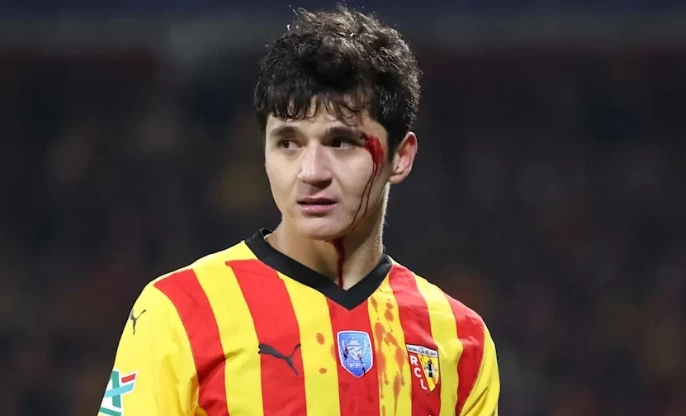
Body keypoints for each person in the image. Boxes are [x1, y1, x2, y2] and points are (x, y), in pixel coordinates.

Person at [98, 5, 499, 416]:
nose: (311, 173)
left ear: (401, 156)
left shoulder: (460, 341)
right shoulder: (179, 311)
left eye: (341, 142)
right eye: (288, 143)